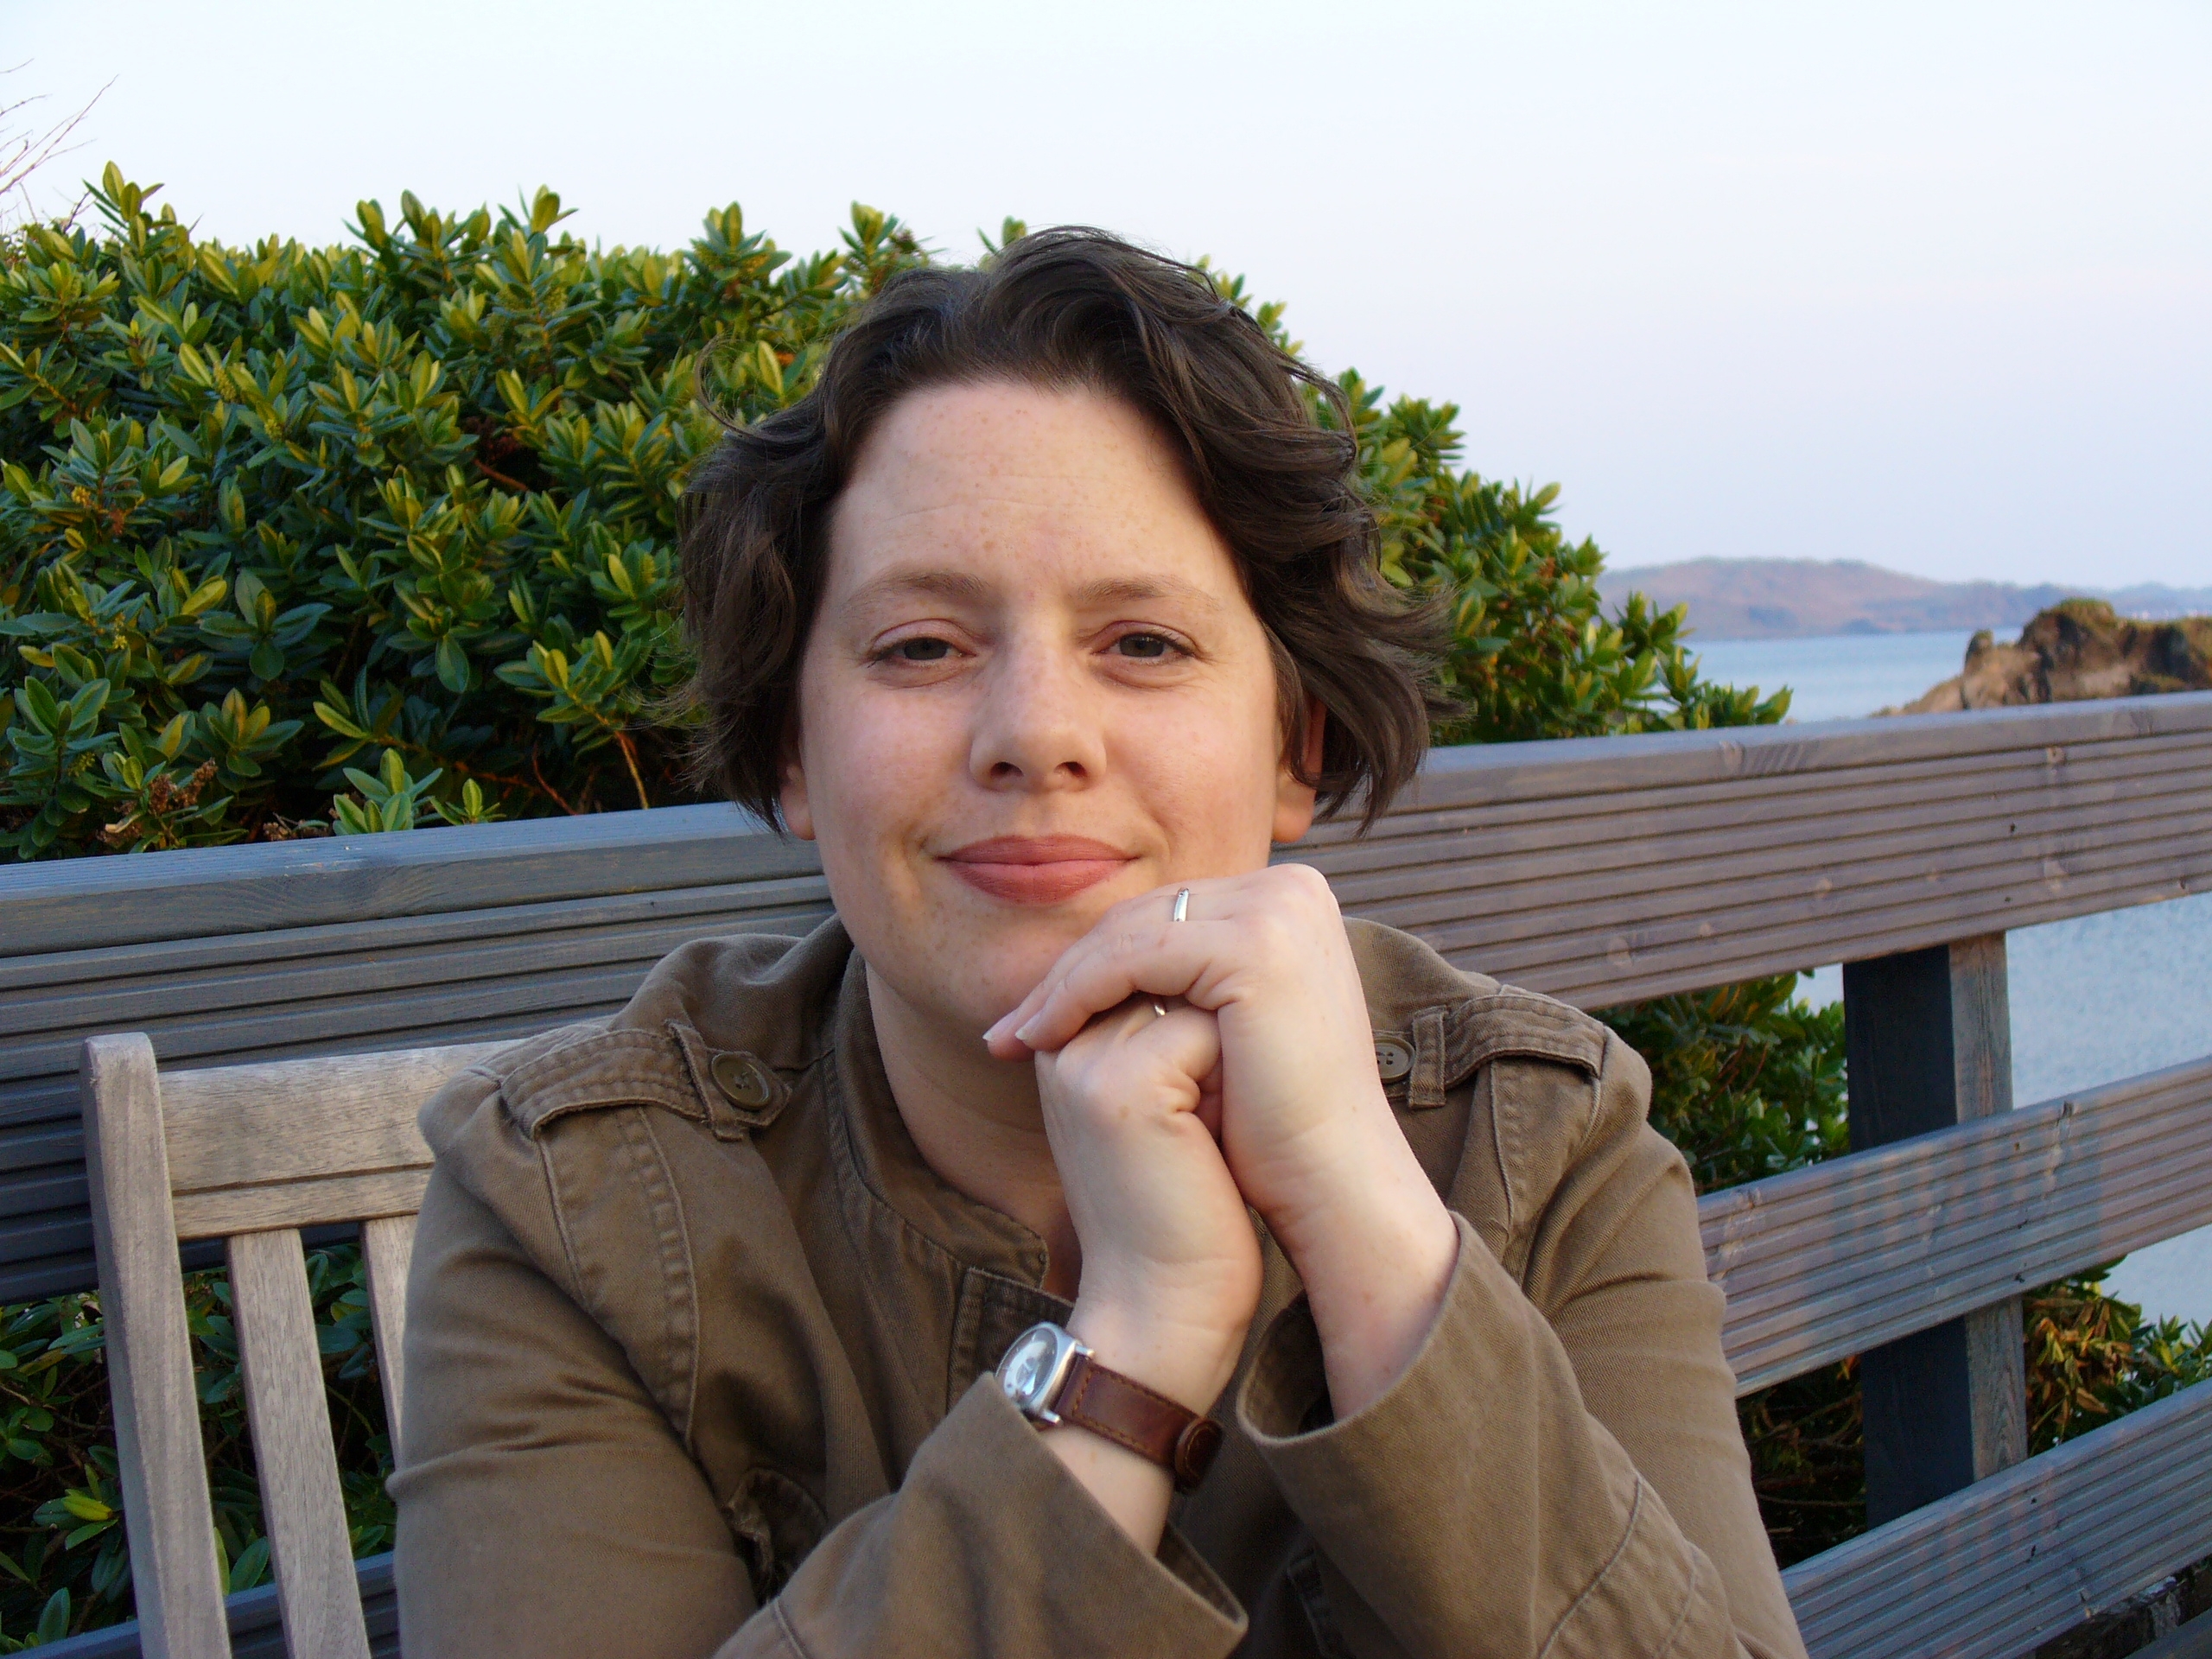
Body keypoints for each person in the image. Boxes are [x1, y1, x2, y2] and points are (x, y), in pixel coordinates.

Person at [391, 228, 1808, 1659]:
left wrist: (1366, 1227)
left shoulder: (1539, 1139)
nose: (1037, 736)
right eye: (921, 648)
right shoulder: (576, 1203)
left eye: (1144, 643)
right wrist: (1137, 1343)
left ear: (1292, 748)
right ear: (794, 750)